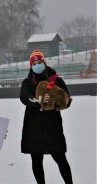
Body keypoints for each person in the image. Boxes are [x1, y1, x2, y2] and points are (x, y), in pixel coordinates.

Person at [20, 49, 73, 184]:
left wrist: (57, 102)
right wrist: (38, 100)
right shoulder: (27, 82)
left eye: (39, 62)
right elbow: (24, 97)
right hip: (33, 128)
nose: (37, 65)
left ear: (44, 63)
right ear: (31, 66)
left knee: (60, 158)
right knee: (36, 160)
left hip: (52, 127)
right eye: (34, 63)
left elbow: (66, 100)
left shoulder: (57, 80)